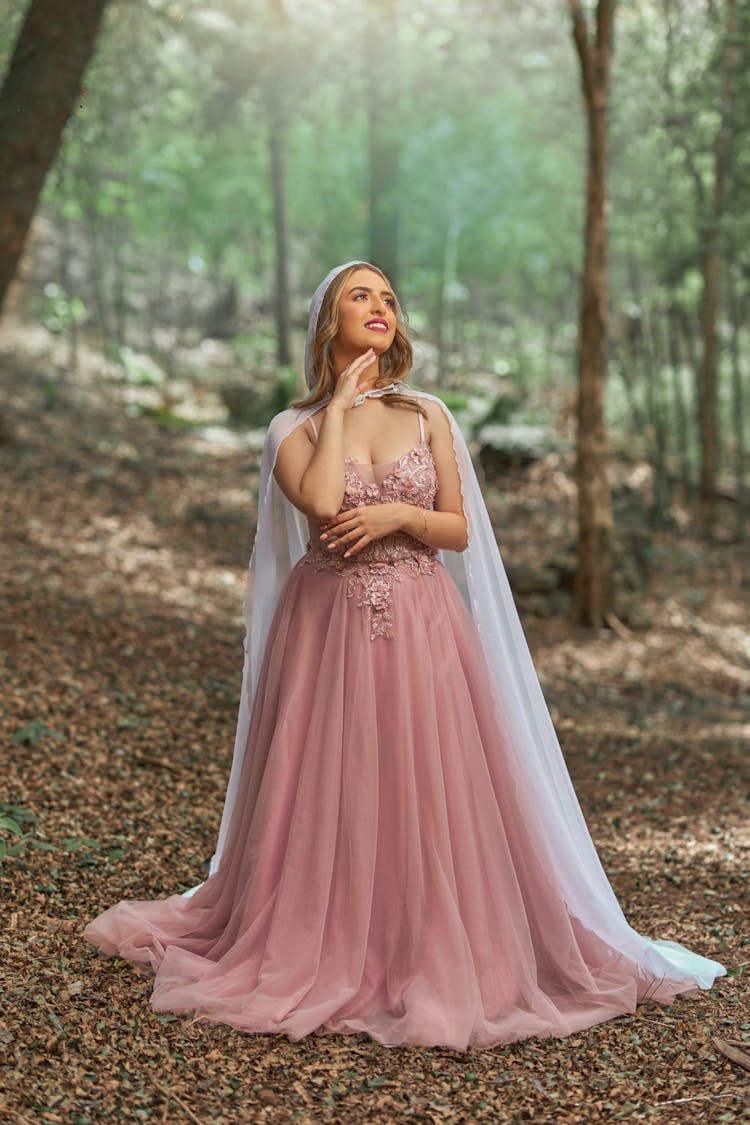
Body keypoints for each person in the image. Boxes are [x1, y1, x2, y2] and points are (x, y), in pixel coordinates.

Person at [83, 259, 726, 1051]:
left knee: (429, 779)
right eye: (361, 295)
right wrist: (343, 406)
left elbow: (456, 527)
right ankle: (331, 936)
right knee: (334, 783)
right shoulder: (295, 426)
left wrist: (395, 513)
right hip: (327, 627)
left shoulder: (429, 414)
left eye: (389, 297)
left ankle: (432, 939)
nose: (380, 307)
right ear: (329, 321)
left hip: (423, 615)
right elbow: (320, 502)